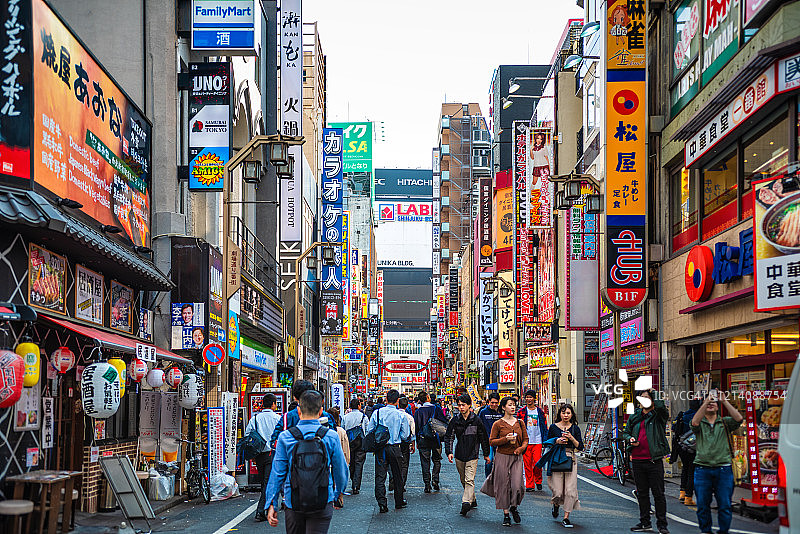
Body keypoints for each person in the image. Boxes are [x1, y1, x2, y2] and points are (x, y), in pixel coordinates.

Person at [264, 391, 348, 534]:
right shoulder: (330, 436)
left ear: (298, 410)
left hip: (293, 500)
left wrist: (271, 503)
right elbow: (341, 470)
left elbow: (277, 473)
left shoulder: (286, 437)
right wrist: (337, 494)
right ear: (321, 411)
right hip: (323, 499)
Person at [691, 389, 744, 534]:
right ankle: (706, 531)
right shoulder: (700, 423)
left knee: (725, 505)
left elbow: (739, 419)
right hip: (702, 469)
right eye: (708, 401)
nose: (711, 403)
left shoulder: (725, 422)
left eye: (714, 402)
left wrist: (724, 401)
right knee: (702, 505)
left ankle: (723, 531)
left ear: (718, 406)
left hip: (724, 469)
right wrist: (706, 402)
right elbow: (694, 423)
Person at [623, 389, 670, 534]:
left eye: (646, 397)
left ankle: (662, 525)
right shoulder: (635, 416)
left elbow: (661, 407)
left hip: (653, 460)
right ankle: (645, 522)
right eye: (641, 398)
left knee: (658, 494)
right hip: (637, 460)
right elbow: (626, 432)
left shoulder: (658, 415)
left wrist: (654, 393)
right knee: (642, 493)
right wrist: (630, 439)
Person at [480, 396, 527, 527]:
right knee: (503, 485)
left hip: (517, 457)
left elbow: (525, 439)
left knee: (517, 486)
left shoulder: (520, 422)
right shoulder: (498, 424)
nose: (513, 407)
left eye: (514, 405)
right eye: (510, 405)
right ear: (503, 407)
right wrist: (505, 439)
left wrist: (521, 448)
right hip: (502, 456)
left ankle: (514, 507)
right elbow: (492, 441)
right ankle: (506, 514)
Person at [444, 393, 490, 516]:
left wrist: (486, 454)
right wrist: (449, 452)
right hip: (459, 454)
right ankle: (472, 498)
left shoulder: (476, 420)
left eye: (463, 405)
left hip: (473, 454)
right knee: (463, 479)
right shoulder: (455, 420)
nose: (461, 407)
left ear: (469, 405)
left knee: (469, 480)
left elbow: (483, 438)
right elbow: (449, 436)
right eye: (459, 405)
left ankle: (466, 503)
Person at [369, 388, 410, 513]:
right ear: (397, 401)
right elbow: (405, 435)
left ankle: (382, 503)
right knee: (398, 475)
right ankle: (399, 501)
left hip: (381, 448)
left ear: (386, 399)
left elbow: (370, 430)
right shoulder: (401, 415)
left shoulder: (377, 413)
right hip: (395, 447)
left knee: (380, 476)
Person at [546, 404, 583, 529]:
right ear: (559, 414)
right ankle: (556, 504)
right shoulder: (553, 427)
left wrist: (571, 438)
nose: (566, 415)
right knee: (557, 491)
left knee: (570, 490)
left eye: (568, 413)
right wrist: (556, 441)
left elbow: (580, 446)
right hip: (556, 458)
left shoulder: (575, 428)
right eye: (563, 413)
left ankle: (566, 517)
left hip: (570, 458)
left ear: (572, 414)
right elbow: (547, 442)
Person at [246, 393, 281, 522]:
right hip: (272, 453)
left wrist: (252, 455)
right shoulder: (277, 418)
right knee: (267, 482)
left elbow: (247, 435)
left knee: (264, 481)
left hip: (259, 454)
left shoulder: (255, 419)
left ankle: (266, 507)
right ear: (273, 404)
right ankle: (261, 510)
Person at [271, 380, 336, 448]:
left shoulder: (287, 417)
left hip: (293, 454)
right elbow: (333, 443)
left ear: (295, 397)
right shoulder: (326, 416)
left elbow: (275, 442)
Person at [414, 390, 448, 492]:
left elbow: (416, 427)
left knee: (425, 462)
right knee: (437, 460)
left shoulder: (418, 412)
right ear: (428, 398)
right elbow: (443, 422)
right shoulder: (436, 408)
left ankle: (427, 484)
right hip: (436, 439)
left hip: (423, 439)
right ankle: (435, 480)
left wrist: (416, 441)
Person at [671, 399, 700, 507]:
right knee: (691, 471)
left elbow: (673, 428)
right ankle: (688, 497)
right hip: (693, 448)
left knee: (685, 469)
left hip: (681, 447)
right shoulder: (698, 417)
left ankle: (682, 493)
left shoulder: (682, 415)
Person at [517, 390, 548, 491]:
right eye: (527, 397)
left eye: (531, 397)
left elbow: (544, 426)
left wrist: (545, 439)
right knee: (527, 464)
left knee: (537, 463)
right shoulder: (521, 412)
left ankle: (538, 480)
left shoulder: (540, 411)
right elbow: (517, 426)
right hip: (526, 442)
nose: (529, 399)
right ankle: (530, 485)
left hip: (538, 440)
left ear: (534, 398)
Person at [341, 398, 368, 494]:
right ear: (359, 406)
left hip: (349, 442)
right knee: (359, 463)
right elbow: (367, 430)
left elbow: (343, 429)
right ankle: (356, 485)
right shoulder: (363, 417)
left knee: (351, 462)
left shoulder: (345, 417)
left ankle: (353, 479)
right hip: (360, 442)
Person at [390, 396, 416, 494]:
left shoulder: (393, 415)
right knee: (404, 464)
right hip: (405, 443)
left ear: (398, 404)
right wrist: (413, 445)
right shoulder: (409, 417)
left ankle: (393, 480)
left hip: (394, 442)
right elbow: (412, 433)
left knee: (393, 462)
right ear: (407, 406)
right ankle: (401, 484)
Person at [478, 392, 503, 477]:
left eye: (496, 403)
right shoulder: (483, 412)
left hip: (500, 440)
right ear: (489, 402)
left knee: (500, 461)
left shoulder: (501, 411)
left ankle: (498, 478)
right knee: (489, 460)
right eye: (492, 402)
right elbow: (479, 425)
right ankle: (488, 478)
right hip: (488, 440)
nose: (494, 405)